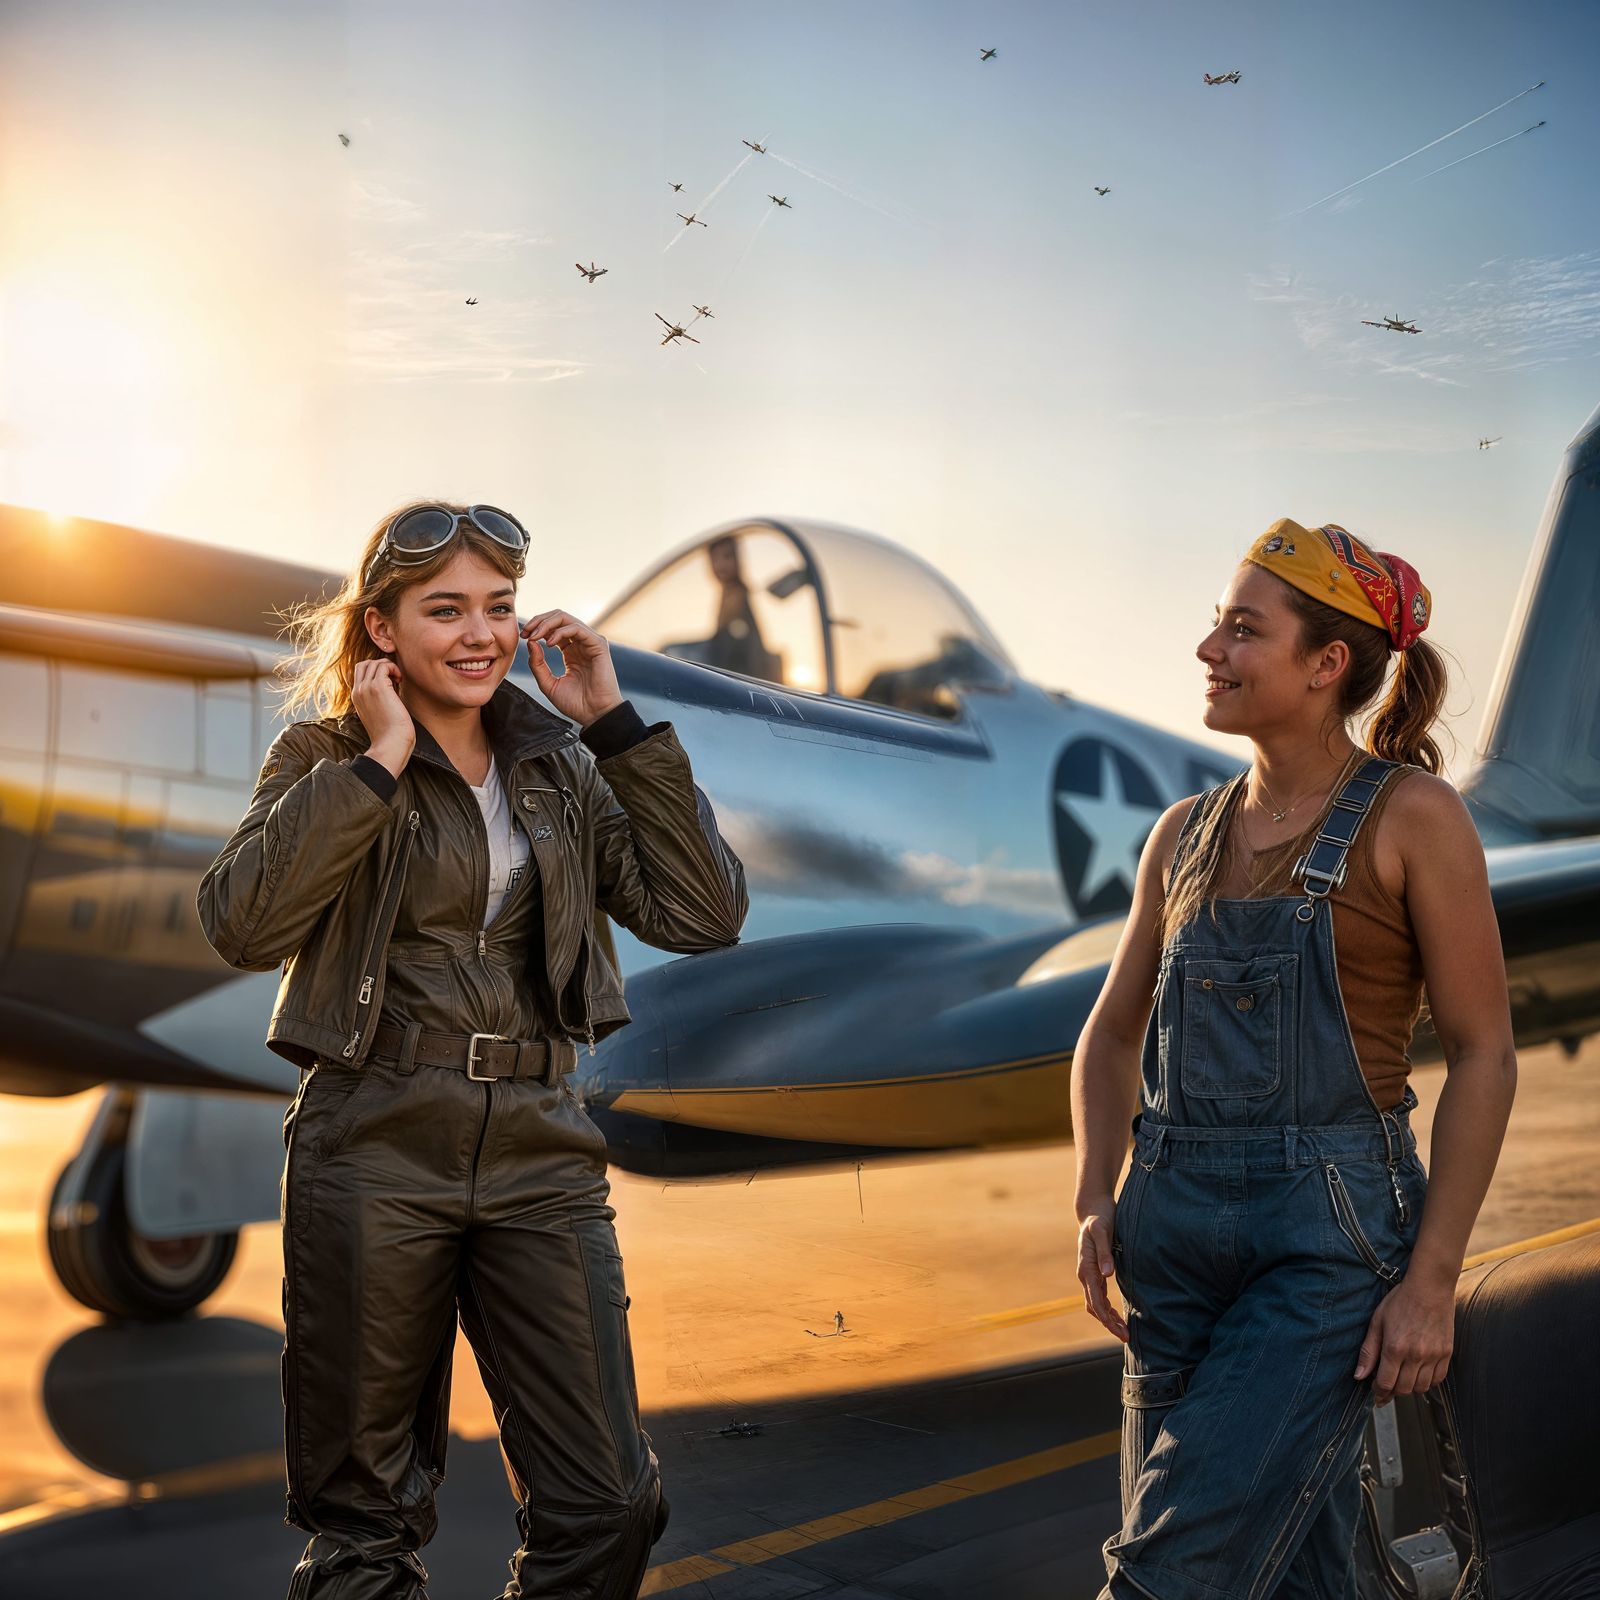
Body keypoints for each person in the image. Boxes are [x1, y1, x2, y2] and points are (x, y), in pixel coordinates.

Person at [197, 501, 748, 1600]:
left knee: (611, 1504)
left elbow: (702, 913)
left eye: (498, 607)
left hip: (543, 1150)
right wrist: (379, 763)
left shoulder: (563, 768)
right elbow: (243, 925)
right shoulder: (323, 755)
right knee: (365, 1533)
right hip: (373, 1142)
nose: (480, 634)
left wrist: (614, 725)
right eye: (444, 609)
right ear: (382, 630)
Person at [1070, 519, 1516, 1597]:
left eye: (1241, 629)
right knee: (1300, 1571)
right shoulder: (1180, 834)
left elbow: (1484, 1053)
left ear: (1325, 665)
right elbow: (1112, 1030)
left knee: (1169, 1569)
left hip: (1325, 1244)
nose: (1208, 649)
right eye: (1216, 624)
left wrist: (1431, 1280)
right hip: (1168, 1239)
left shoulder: (1414, 817)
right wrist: (1093, 1191)